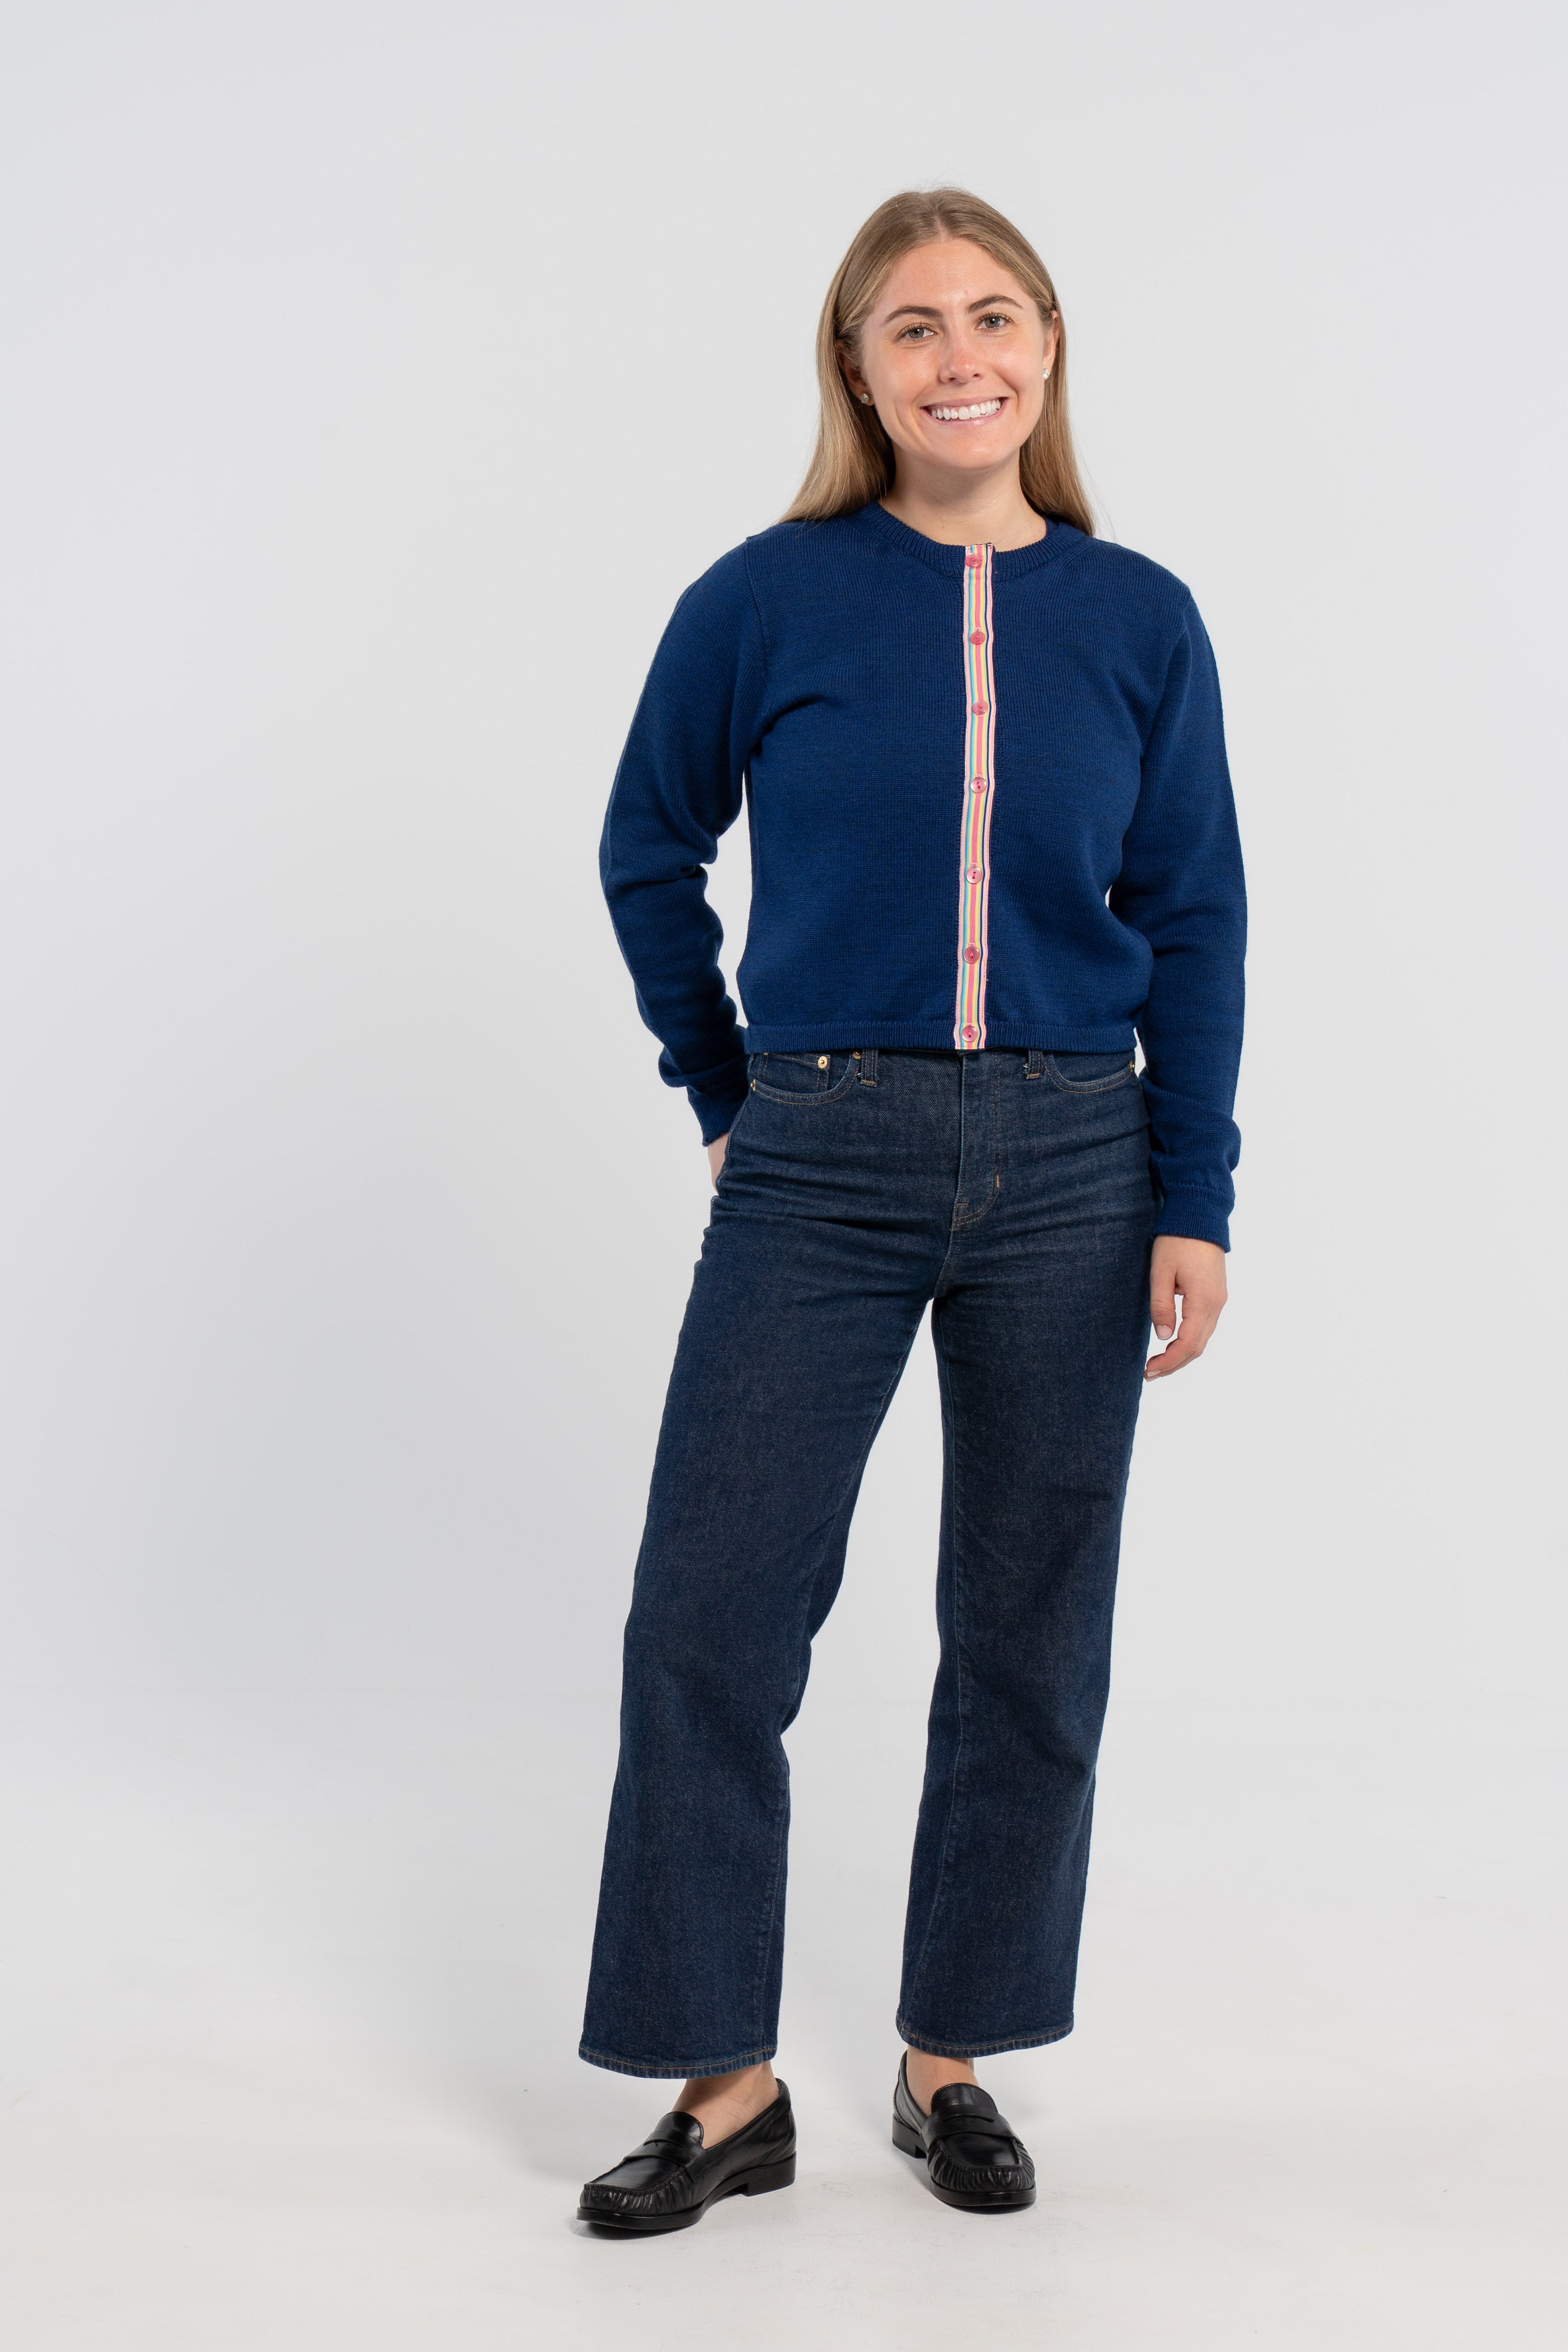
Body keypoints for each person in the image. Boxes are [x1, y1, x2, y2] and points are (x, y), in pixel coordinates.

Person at [575, 188, 1246, 2232]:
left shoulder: (1136, 619)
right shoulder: (765, 598)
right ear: (853, 372)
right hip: (820, 1153)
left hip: (1074, 1157)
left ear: (1042, 349)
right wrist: (721, 1083)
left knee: (1027, 1632)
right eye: (908, 326)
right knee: (711, 1612)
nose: (958, 354)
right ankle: (724, 2087)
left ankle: (948, 2060)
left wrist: (1188, 1189)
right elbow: (644, 846)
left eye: (993, 315)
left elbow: (1193, 914)